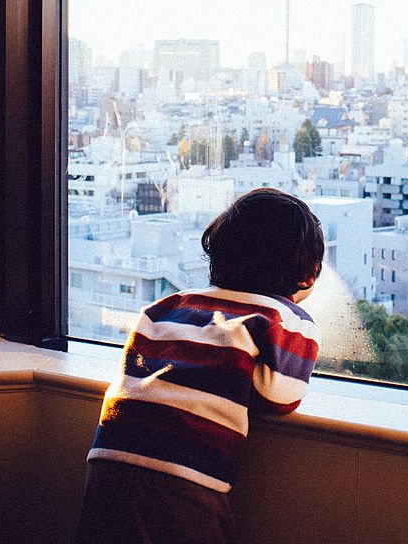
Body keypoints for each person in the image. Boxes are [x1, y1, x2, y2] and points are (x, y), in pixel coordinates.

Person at [76, 188, 324, 543]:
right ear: (308, 275)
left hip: (107, 464)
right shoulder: (277, 318)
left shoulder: (164, 307)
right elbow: (280, 396)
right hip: (185, 479)